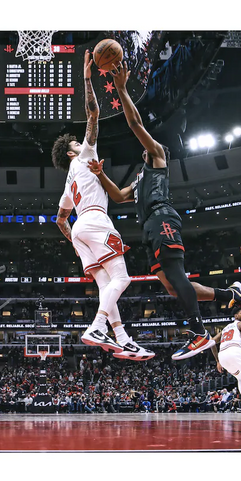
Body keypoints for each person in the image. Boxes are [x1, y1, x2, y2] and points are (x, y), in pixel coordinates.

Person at [88, 61, 241, 361]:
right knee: (172, 287)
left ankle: (199, 332)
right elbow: (116, 195)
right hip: (150, 227)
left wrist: (122, 89)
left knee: (177, 276)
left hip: (162, 218)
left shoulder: (157, 158)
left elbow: (135, 125)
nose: (147, 144)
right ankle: (231, 296)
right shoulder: (141, 178)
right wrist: (100, 174)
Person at [51, 50, 153, 362]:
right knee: (122, 279)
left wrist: (76, 240)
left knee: (107, 285)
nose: (81, 143)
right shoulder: (83, 157)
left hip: (81, 229)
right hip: (96, 222)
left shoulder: (69, 183)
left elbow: (59, 220)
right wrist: (86, 76)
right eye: (76, 144)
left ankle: (122, 338)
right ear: (71, 153)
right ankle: (97, 326)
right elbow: (93, 113)